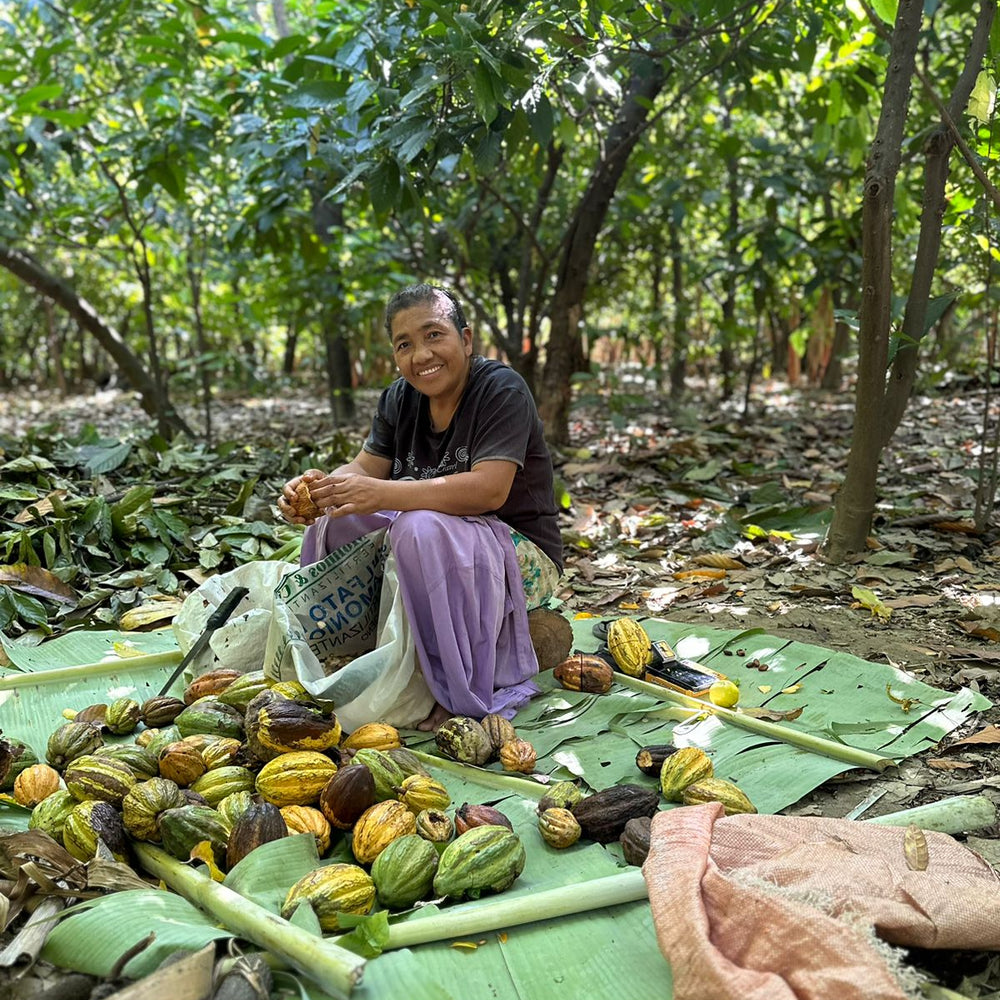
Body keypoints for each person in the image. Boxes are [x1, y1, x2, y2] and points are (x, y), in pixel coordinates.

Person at [278, 283, 563, 731]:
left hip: (520, 556)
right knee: (335, 520)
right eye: (405, 344)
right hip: (439, 537)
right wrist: (318, 490)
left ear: (465, 341)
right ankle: (361, 657)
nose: (421, 354)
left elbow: (489, 491)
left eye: (434, 335)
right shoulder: (399, 398)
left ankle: (454, 688)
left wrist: (388, 495)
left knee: (419, 528)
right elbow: (363, 469)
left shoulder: (500, 389)